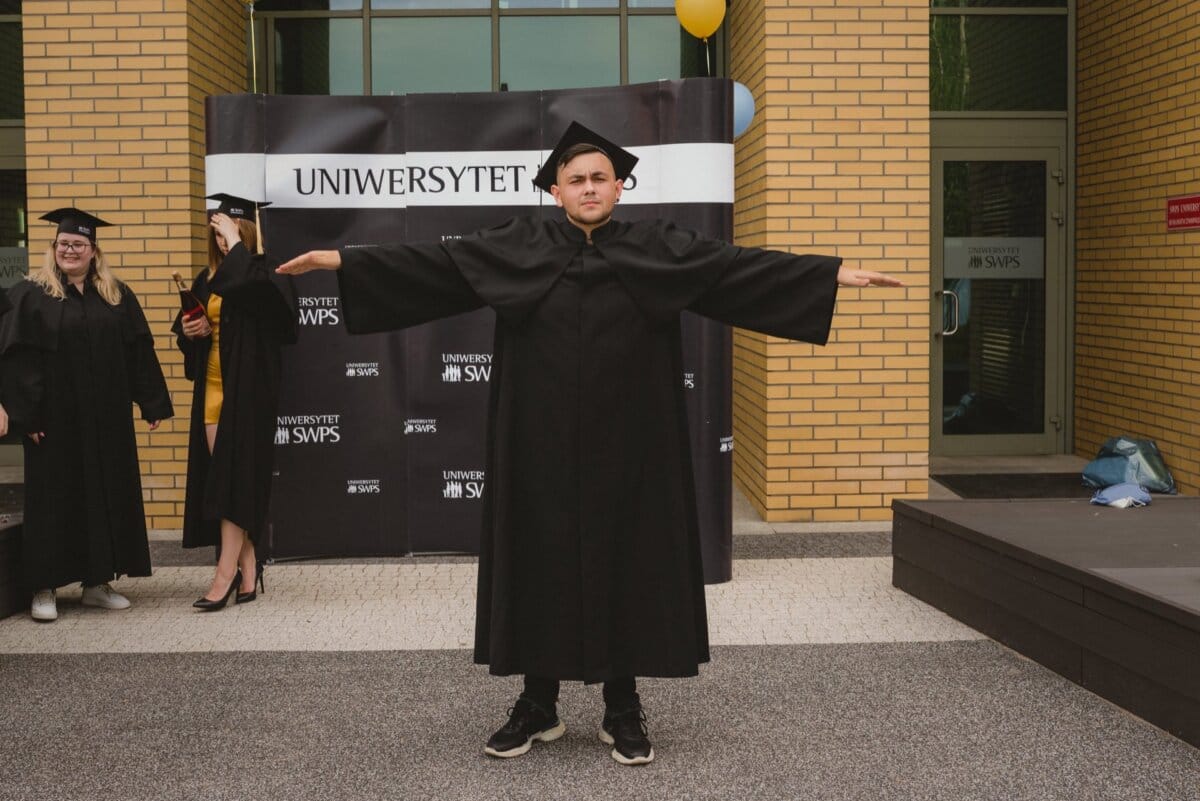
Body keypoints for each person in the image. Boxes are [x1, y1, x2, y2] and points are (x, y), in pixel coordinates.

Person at [277, 122, 902, 765]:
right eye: (575, 179)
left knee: (626, 557)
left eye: (600, 177)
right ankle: (537, 705)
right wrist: (341, 260)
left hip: (632, 445)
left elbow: (737, 269)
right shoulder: (515, 244)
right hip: (536, 444)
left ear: (620, 188)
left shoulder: (659, 247)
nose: (589, 187)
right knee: (539, 557)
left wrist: (830, 275)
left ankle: (622, 707)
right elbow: (435, 265)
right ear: (554, 191)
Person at [0, 208, 173, 622]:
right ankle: (44, 588)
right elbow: (13, 358)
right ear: (53, 248)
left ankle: (97, 582)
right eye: (63, 244)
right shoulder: (30, 294)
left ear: (94, 250)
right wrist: (27, 416)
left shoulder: (115, 295)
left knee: (104, 495)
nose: (70, 251)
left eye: (79, 245)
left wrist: (150, 402)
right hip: (52, 424)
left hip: (106, 420)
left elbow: (138, 350)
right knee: (53, 501)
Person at [173, 194, 296, 611]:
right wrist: (192, 333)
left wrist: (238, 249)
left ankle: (224, 575)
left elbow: (281, 323)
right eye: (219, 236)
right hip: (212, 389)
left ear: (248, 231)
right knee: (227, 482)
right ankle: (249, 565)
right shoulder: (206, 279)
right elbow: (187, 333)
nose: (223, 243)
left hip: (250, 394)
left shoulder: (269, 274)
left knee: (237, 479)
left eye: (231, 233)